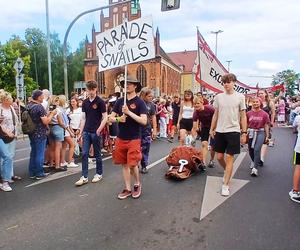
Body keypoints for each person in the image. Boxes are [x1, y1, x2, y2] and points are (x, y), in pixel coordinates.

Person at [108, 76, 147, 199]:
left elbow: (144, 121)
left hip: (134, 137)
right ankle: (127, 188)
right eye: (125, 83)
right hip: (121, 137)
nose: (127, 85)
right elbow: (110, 118)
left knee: (133, 164)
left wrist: (129, 112)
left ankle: (137, 184)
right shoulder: (120, 101)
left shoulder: (140, 102)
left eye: (130, 83)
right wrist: (119, 118)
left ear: (135, 86)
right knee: (123, 164)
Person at [210, 73, 247, 196]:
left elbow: (243, 115)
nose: (226, 84)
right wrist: (212, 128)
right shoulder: (218, 97)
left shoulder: (240, 97)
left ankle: (226, 184)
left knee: (229, 157)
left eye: (228, 82)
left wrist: (244, 132)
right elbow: (215, 114)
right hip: (220, 130)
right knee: (219, 157)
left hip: (234, 130)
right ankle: (227, 171)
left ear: (234, 82)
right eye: (224, 82)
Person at [75, 81, 107, 186]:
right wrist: (80, 131)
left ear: (96, 89)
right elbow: (83, 118)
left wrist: (99, 129)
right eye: (89, 90)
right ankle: (84, 176)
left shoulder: (100, 102)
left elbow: (105, 117)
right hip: (87, 131)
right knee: (84, 153)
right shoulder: (85, 102)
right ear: (87, 90)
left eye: (93, 89)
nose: (91, 92)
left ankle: (99, 173)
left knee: (97, 154)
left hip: (96, 132)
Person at [27, 90, 56, 179]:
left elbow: (39, 117)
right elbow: (45, 121)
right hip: (40, 133)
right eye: (42, 96)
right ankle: (39, 173)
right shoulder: (39, 107)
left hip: (31, 132)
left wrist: (47, 114)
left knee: (33, 153)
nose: (43, 98)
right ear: (39, 97)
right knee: (40, 153)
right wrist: (52, 114)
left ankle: (32, 172)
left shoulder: (29, 106)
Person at [246, 97, 270, 177]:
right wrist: (244, 133)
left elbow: (266, 125)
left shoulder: (264, 114)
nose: (255, 103)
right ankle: (254, 161)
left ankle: (255, 169)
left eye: (257, 102)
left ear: (260, 103)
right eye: (254, 102)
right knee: (250, 150)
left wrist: (267, 136)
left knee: (256, 149)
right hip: (251, 132)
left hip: (260, 132)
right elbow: (245, 123)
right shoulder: (248, 113)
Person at [0, 91, 18, 191]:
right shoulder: (0, 108)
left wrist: (15, 132)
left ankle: (7, 177)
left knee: (9, 156)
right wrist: (7, 132)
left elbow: (14, 120)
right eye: (10, 98)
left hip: (11, 134)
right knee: (6, 156)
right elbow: (1, 124)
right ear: (5, 100)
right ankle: (4, 181)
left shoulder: (11, 107)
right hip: (3, 135)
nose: (12, 100)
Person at [192, 96, 216, 169]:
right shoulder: (195, 112)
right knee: (204, 144)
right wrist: (193, 137)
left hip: (214, 126)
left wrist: (214, 129)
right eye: (195, 104)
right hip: (205, 127)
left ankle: (211, 160)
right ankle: (203, 162)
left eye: (198, 103)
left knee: (212, 146)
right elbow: (194, 126)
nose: (196, 105)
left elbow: (217, 117)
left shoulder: (210, 108)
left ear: (202, 102)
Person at [139, 87, 157, 174]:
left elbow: (153, 117)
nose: (151, 98)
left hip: (146, 129)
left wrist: (155, 130)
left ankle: (144, 165)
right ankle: (135, 163)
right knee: (135, 148)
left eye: (152, 96)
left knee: (145, 148)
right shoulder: (137, 103)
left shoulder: (151, 105)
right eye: (149, 96)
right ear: (143, 95)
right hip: (136, 129)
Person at [258, 89, 275, 163]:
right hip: (257, 124)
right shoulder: (257, 102)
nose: (260, 95)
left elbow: (273, 113)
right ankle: (256, 156)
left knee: (265, 140)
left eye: (262, 93)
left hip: (267, 125)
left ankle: (261, 158)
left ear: (265, 94)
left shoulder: (270, 102)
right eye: (259, 94)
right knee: (257, 141)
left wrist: (271, 122)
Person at [290, 113, 300, 203]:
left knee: (298, 167)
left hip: (299, 148)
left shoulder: (298, 117)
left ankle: (295, 191)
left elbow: (294, 127)